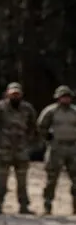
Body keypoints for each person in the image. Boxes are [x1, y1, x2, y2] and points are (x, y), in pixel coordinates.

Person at [0, 82, 38, 214]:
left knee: (22, 182)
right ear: (7, 94)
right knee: (1, 181)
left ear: (21, 95)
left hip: (21, 150)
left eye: (17, 94)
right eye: (12, 94)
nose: (15, 96)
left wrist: (28, 142)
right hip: (4, 149)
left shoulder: (28, 109)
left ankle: (24, 206)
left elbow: (33, 126)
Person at [37, 85, 76, 215]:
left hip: (73, 148)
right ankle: (47, 206)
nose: (65, 99)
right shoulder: (50, 111)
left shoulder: (74, 111)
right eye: (63, 97)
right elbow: (41, 126)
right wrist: (47, 138)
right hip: (56, 148)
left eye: (67, 97)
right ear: (58, 98)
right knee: (51, 179)